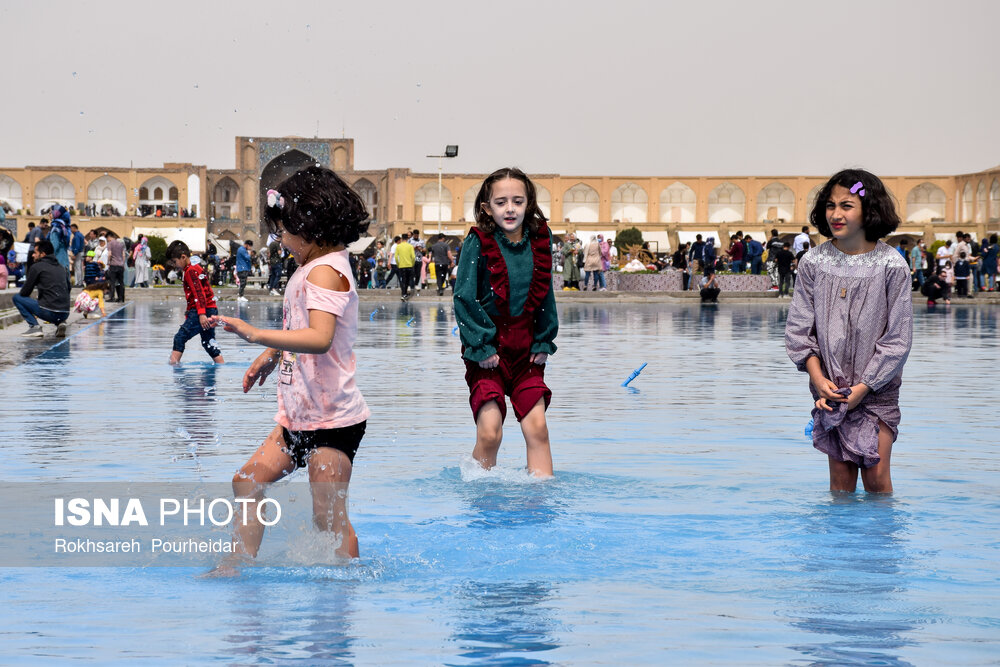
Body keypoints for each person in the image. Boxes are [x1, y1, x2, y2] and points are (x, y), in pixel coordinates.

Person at [210, 166, 371, 572]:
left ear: (311, 225)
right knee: (247, 481)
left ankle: (347, 587)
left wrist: (256, 336)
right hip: (298, 416)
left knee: (327, 516)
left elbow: (319, 338)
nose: (280, 240)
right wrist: (273, 357)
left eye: (284, 231)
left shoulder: (323, 270)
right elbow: (302, 330)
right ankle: (237, 563)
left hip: (333, 421)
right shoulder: (311, 267)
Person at [785, 168, 912, 494]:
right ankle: (839, 546)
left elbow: (897, 340)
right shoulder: (813, 263)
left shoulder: (891, 265)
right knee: (840, 484)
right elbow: (800, 331)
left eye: (846, 205)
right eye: (830, 205)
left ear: (869, 210)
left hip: (876, 391)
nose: (836, 214)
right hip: (830, 390)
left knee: (876, 478)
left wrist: (864, 387)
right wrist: (818, 379)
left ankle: (882, 544)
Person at [454, 167, 558, 477]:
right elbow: (464, 296)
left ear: (529, 203)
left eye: (517, 201)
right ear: (487, 207)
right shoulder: (479, 241)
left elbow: (546, 294)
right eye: (500, 202)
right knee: (490, 431)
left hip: (526, 350)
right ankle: (479, 497)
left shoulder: (540, 238)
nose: (510, 208)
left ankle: (542, 504)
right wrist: (481, 345)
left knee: (537, 428)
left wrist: (543, 340)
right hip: (487, 352)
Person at [166, 240, 224, 365]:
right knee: (208, 342)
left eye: (175, 262)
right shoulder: (195, 267)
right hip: (210, 308)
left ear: (183, 257)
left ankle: (173, 368)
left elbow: (199, 293)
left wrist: (201, 314)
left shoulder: (190, 271)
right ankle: (221, 365)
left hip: (202, 310)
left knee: (179, 338)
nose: (175, 265)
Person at [14, 240, 71, 337]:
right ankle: (61, 323)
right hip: (65, 312)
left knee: (17, 298)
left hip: (49, 312)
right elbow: (68, 288)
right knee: (52, 304)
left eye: (35, 253)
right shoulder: (61, 267)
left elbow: (24, 293)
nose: (32, 255)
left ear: (42, 254)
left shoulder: (37, 267)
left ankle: (34, 327)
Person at [395, 231, 416, 300]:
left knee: (403, 280)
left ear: (401, 239)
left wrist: (398, 264)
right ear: (407, 239)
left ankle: (404, 293)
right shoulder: (410, 246)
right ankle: (405, 293)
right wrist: (412, 264)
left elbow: (395, 257)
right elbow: (413, 257)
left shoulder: (398, 246)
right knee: (409, 279)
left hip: (401, 266)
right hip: (409, 265)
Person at [106, 235, 126, 302]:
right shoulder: (121, 244)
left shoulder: (110, 243)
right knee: (121, 282)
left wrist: (108, 262)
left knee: (112, 282)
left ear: (109, 237)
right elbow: (123, 255)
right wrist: (122, 263)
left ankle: (112, 297)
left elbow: (109, 254)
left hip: (113, 265)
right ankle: (121, 298)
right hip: (120, 265)